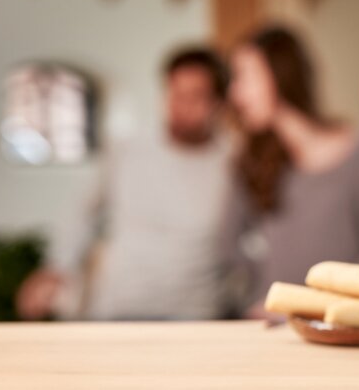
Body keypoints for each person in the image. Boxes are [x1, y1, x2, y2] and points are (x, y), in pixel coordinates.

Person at [17, 47, 233, 320]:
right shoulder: (127, 149)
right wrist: (56, 268)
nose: (181, 107)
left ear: (219, 103)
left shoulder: (235, 163)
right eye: (175, 94)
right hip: (120, 310)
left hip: (194, 317)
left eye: (195, 97)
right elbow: (82, 213)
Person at [223, 24, 359, 317]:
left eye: (243, 76)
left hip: (343, 324)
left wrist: (335, 308)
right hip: (271, 324)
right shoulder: (250, 161)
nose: (234, 93)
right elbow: (227, 245)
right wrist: (257, 296)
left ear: (279, 74)